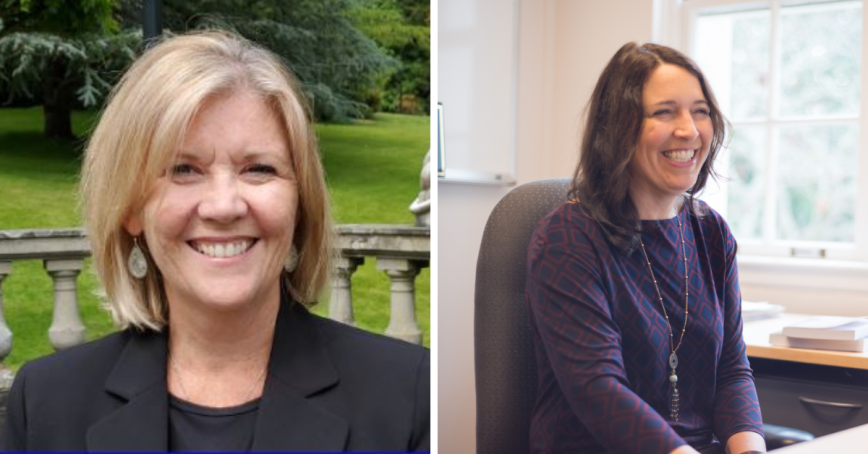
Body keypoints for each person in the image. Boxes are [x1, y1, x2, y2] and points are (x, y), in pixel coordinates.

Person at [2, 30, 429, 451]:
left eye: (258, 168)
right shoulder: (45, 403)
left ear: (300, 204)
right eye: (184, 170)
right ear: (131, 208)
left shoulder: (412, 398)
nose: (224, 206)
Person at [525, 42, 765, 454]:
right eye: (664, 112)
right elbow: (599, 389)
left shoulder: (711, 233)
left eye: (700, 110)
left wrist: (750, 450)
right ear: (618, 127)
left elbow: (731, 371)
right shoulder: (568, 237)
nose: (689, 129)